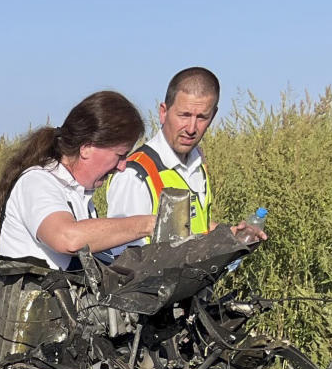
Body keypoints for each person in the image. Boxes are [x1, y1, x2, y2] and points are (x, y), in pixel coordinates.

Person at [0, 91, 156, 270]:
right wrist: (148, 224)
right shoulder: (36, 182)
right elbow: (68, 239)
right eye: (120, 155)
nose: (122, 166)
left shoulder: (78, 193)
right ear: (86, 148)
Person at [107, 67, 266, 249]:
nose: (191, 128)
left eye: (201, 117)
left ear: (213, 116)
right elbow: (125, 258)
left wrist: (229, 236)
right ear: (163, 112)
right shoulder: (135, 174)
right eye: (184, 115)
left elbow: (197, 227)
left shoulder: (197, 162)